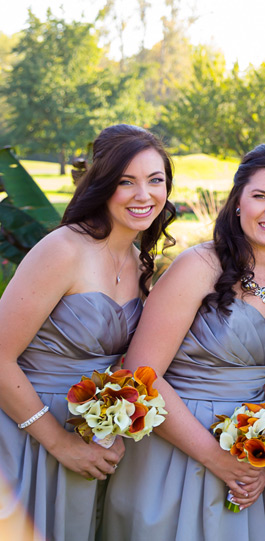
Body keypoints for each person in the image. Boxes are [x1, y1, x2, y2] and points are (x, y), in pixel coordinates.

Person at [101, 143, 265, 539]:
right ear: (237, 202)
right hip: (174, 450)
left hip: (243, 460)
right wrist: (216, 458)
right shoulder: (198, 267)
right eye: (260, 196)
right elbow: (141, 374)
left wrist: (258, 457)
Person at [0, 124, 176, 541]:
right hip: (24, 431)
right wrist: (60, 444)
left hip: (89, 436)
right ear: (102, 185)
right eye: (125, 182)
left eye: (156, 181)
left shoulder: (140, 263)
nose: (143, 195)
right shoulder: (64, 249)